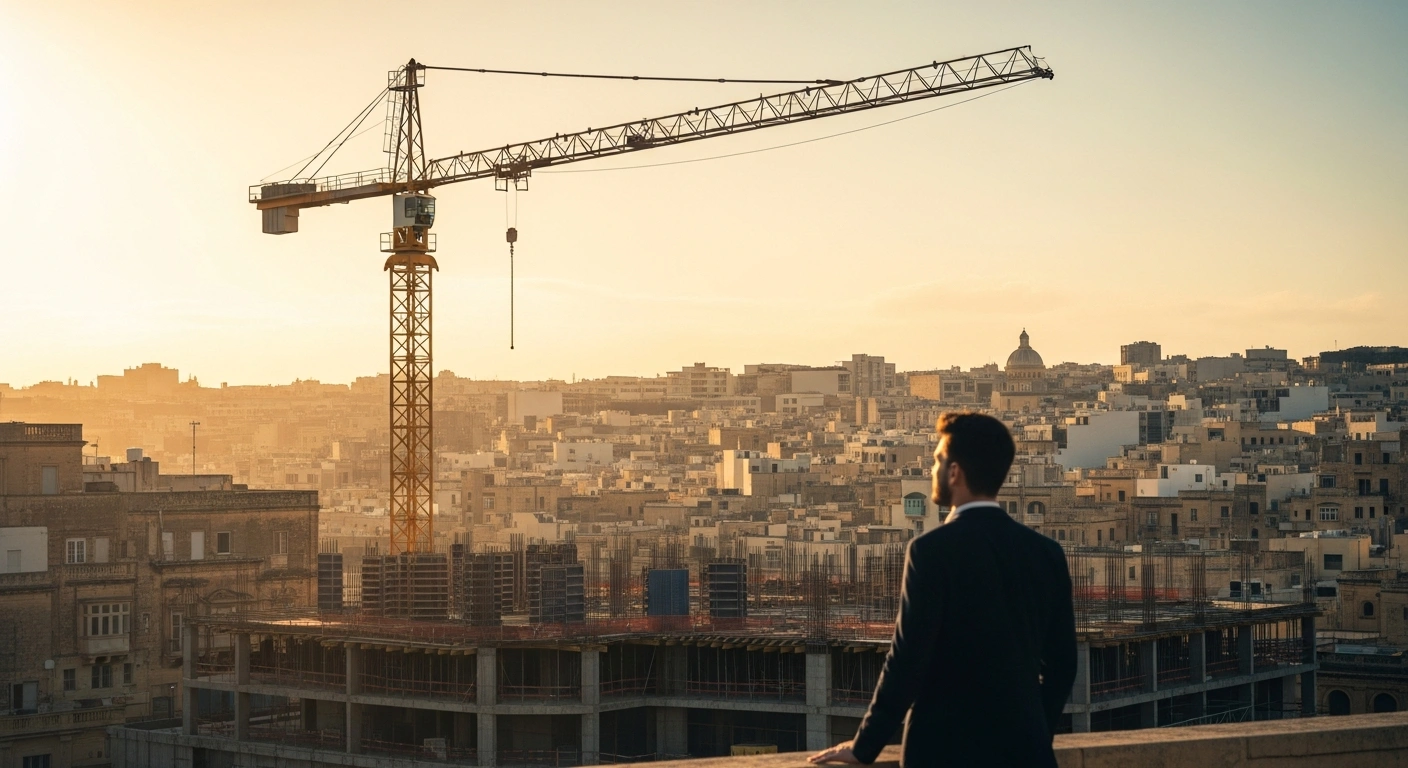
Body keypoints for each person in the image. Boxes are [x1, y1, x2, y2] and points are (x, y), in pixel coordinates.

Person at [809, 412, 1077, 767]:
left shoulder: (931, 551)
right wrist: (1034, 731)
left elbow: (907, 660)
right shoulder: (1046, 553)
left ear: (955, 472)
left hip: (942, 750)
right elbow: (1063, 665)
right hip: (1026, 751)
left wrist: (864, 746)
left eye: (937, 460)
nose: (933, 470)